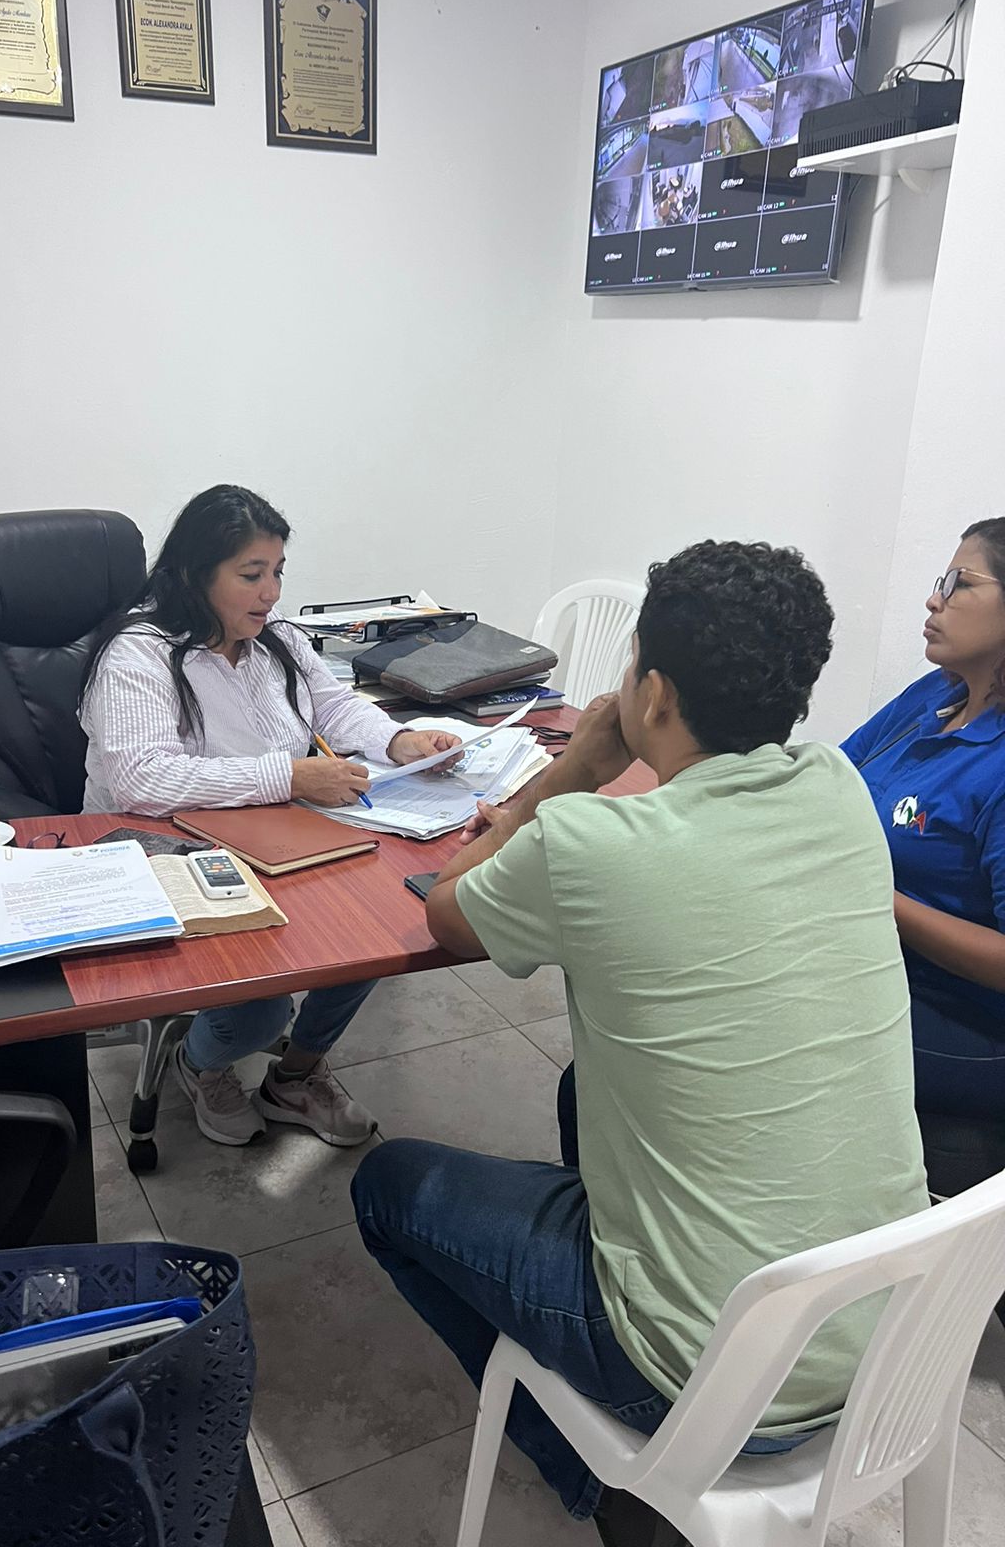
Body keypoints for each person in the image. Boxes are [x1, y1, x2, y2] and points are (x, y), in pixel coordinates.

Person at [351, 540, 929, 1543]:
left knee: (386, 1185)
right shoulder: (841, 789)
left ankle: (610, 1486)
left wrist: (573, 769)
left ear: (652, 693)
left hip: (704, 1377)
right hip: (890, 1342)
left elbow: (446, 911)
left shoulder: (588, 844)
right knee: (583, 1089)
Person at [79, 485, 461, 1150]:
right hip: (164, 852)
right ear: (195, 575)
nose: (271, 593)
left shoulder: (275, 638)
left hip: (276, 837)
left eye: (277, 571)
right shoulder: (139, 654)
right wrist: (288, 774)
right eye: (251, 574)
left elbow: (333, 705)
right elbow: (143, 780)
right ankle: (200, 1064)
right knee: (261, 1007)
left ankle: (296, 1075)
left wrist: (399, 741)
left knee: (379, 930)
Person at [841, 517, 1005, 1198]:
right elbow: (833, 778)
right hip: (875, 961)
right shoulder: (935, 695)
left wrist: (881, 901)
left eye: (959, 583)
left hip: (967, 1017)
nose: (934, 599)